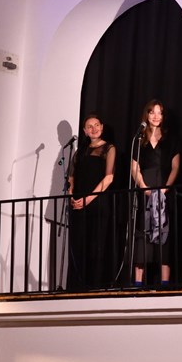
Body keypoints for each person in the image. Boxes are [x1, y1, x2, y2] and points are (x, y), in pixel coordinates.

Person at [130, 99, 181, 287]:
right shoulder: (139, 140)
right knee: (143, 234)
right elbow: (134, 168)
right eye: (152, 112)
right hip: (145, 191)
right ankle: (138, 284)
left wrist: (165, 188)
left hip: (164, 191)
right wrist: (144, 187)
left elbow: (175, 167)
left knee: (163, 233)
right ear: (147, 114)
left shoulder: (171, 140)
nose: (156, 116)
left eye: (159, 112)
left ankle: (164, 283)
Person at [66, 113, 116, 291]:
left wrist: (88, 199)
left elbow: (109, 178)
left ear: (101, 127)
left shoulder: (109, 148)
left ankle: (94, 288)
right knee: (79, 245)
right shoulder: (80, 151)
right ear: (85, 131)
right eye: (89, 126)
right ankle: (77, 288)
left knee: (96, 246)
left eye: (96, 125)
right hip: (78, 204)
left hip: (97, 203)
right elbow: (71, 176)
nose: (93, 129)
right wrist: (71, 195)